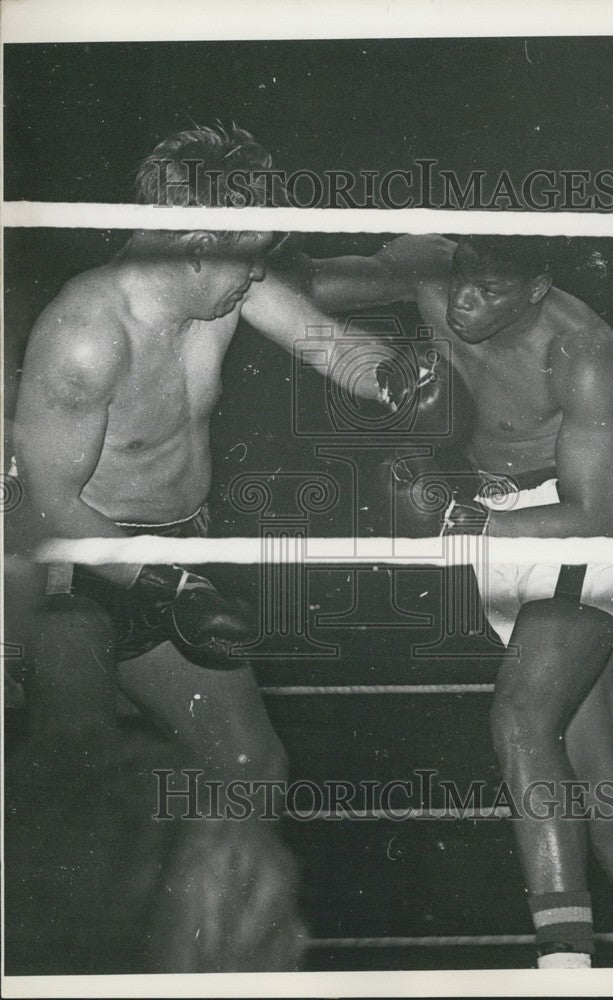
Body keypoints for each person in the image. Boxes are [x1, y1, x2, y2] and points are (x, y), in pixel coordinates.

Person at [8, 124, 385, 973]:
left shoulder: (227, 285)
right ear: (195, 244)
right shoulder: (86, 334)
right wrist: (166, 580)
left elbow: (331, 346)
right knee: (81, 793)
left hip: (175, 557)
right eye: (250, 253)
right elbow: (41, 511)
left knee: (248, 764)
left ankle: (207, 965)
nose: (260, 270)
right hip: (72, 574)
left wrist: (393, 377)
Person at [299, 233, 613, 968]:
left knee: (520, 717)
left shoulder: (584, 349)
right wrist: (251, 246)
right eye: (462, 278)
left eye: (490, 290)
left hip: (583, 524)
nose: (463, 300)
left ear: (536, 287)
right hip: (494, 519)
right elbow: (307, 287)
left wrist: (457, 521)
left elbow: (593, 512)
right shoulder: (432, 268)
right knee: (595, 787)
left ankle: (563, 966)